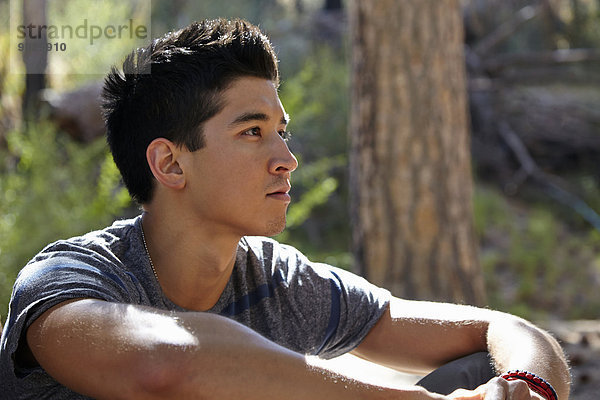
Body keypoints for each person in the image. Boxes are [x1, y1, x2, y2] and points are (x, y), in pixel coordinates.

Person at [0, 18, 570, 400]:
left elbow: (502, 327)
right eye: (252, 132)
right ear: (170, 165)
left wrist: (525, 388)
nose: (287, 159)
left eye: (282, 131)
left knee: (483, 371)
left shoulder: (277, 280)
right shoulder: (68, 282)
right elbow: (169, 365)